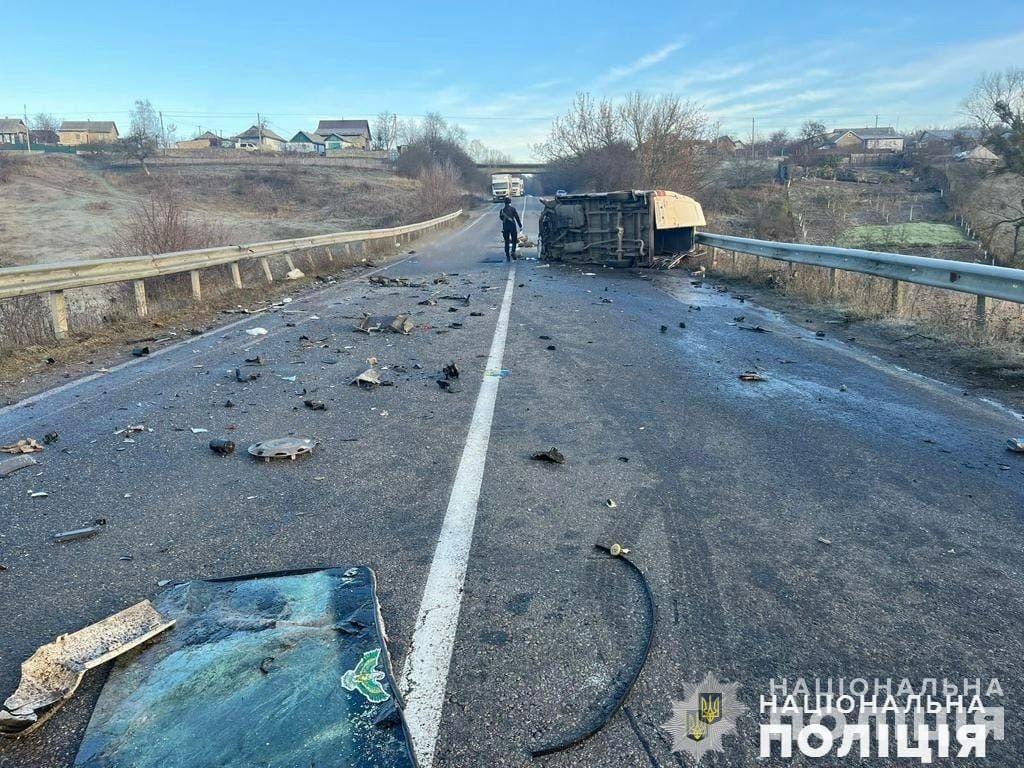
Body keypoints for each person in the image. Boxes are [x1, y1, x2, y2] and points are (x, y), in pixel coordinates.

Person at [499, 197, 523, 262]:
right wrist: (520, 226)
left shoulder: (502, 210)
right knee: (514, 240)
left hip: (505, 228)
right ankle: (513, 251)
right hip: (512, 226)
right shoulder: (513, 209)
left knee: (506, 242)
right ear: (510, 202)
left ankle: (507, 256)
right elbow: (517, 217)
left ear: (505, 203)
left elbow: (501, 218)